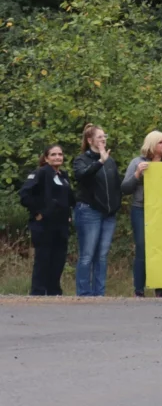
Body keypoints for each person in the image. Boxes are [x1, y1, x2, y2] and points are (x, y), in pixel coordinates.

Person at [122, 130, 162, 298]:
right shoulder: (137, 162)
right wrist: (138, 174)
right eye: (161, 142)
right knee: (142, 247)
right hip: (141, 209)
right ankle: (139, 290)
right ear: (152, 144)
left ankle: (160, 289)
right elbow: (124, 188)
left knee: (161, 248)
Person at [72, 123, 122, 297]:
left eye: (104, 136)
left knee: (102, 255)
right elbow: (81, 176)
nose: (103, 139)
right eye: (99, 137)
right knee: (87, 254)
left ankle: (99, 293)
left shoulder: (111, 161)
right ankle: (84, 293)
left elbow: (117, 185)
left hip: (108, 214)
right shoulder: (81, 160)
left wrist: (116, 205)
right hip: (89, 211)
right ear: (90, 140)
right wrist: (100, 161)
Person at [19, 144, 75, 296]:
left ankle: (54, 292)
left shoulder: (63, 175)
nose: (57, 157)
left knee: (58, 259)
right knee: (43, 259)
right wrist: (38, 212)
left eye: (60, 154)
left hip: (61, 225)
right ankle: (37, 292)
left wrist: (68, 214)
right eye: (53, 154)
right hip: (44, 224)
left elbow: (68, 198)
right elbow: (25, 195)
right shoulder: (41, 173)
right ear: (46, 158)